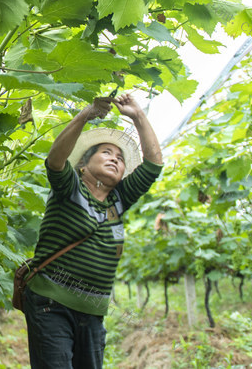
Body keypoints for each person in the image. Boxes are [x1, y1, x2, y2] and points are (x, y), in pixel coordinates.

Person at [24, 94, 163, 368]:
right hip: (51, 305)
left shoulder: (118, 201)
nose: (115, 159)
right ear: (84, 165)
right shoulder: (70, 188)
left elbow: (154, 164)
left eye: (120, 158)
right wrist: (86, 114)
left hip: (93, 313)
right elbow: (55, 160)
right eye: (106, 153)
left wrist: (137, 115)